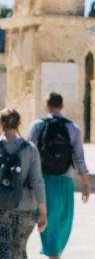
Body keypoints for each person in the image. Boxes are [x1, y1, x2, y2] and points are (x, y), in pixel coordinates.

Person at [28, 93, 90, 259]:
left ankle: (53, 255)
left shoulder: (37, 125)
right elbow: (79, 159)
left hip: (43, 181)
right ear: (62, 107)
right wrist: (86, 184)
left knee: (49, 221)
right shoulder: (73, 128)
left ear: (47, 106)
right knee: (63, 222)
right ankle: (55, 255)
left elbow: (29, 154)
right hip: (65, 181)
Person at [0, 108, 47, 259]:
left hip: (2, 209)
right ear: (19, 123)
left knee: (3, 250)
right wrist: (43, 213)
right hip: (26, 210)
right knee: (19, 251)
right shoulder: (30, 149)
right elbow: (37, 181)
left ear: (1, 124)